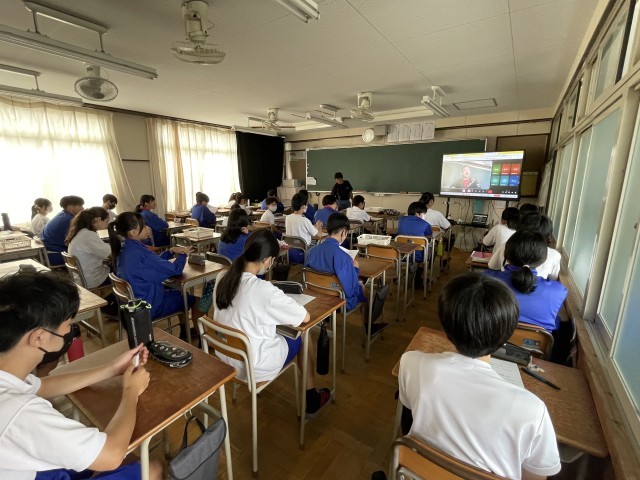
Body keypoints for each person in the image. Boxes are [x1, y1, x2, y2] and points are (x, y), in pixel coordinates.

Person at [0, 271, 162, 480]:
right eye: (68, 325)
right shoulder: (20, 413)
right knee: (152, 468)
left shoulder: (8, 375)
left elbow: (42, 386)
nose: (69, 331)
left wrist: (112, 368)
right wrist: (131, 391)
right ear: (38, 337)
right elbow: (111, 455)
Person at [399, 272, 560, 479]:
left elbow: (409, 411)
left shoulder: (411, 363)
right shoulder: (532, 411)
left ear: (444, 328)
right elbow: (535, 477)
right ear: (506, 336)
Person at [213, 229, 331, 416]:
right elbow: (305, 317)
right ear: (268, 260)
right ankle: (311, 397)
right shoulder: (264, 290)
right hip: (252, 365)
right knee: (304, 335)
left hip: (225, 355)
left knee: (271, 328)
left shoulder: (223, 277)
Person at [109, 212, 203, 337]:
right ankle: (198, 335)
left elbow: (153, 262)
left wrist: (170, 251)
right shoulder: (140, 252)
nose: (148, 228)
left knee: (177, 293)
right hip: (150, 305)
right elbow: (175, 269)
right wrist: (183, 254)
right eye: (144, 226)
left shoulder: (125, 249)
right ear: (133, 232)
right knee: (194, 300)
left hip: (135, 304)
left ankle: (185, 331)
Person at [305, 213, 388, 335]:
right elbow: (350, 289)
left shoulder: (311, 251)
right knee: (364, 291)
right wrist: (355, 270)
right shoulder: (344, 257)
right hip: (337, 299)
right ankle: (369, 327)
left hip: (314, 295)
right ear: (344, 232)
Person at [484, 231, 567, 331]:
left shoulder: (483, 280)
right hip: (534, 341)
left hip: (490, 337)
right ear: (543, 260)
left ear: (506, 254)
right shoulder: (558, 291)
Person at [488, 212, 561, 280]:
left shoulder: (506, 246)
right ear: (548, 234)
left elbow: (492, 266)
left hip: (504, 286)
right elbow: (553, 279)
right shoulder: (554, 255)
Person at [66, 207, 111, 289]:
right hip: (92, 280)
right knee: (122, 274)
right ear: (98, 219)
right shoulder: (88, 235)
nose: (107, 224)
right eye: (106, 221)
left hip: (81, 278)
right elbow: (110, 253)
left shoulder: (80, 232)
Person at [41, 195, 85, 266]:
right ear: (70, 207)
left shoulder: (62, 215)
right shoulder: (69, 220)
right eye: (80, 205)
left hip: (50, 253)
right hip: (57, 255)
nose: (83, 208)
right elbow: (79, 240)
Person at [285, 193, 323, 263]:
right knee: (321, 244)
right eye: (307, 204)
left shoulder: (288, 218)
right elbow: (319, 235)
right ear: (303, 206)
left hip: (290, 251)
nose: (307, 206)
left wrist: (312, 227)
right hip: (304, 252)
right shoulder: (305, 220)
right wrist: (319, 225)